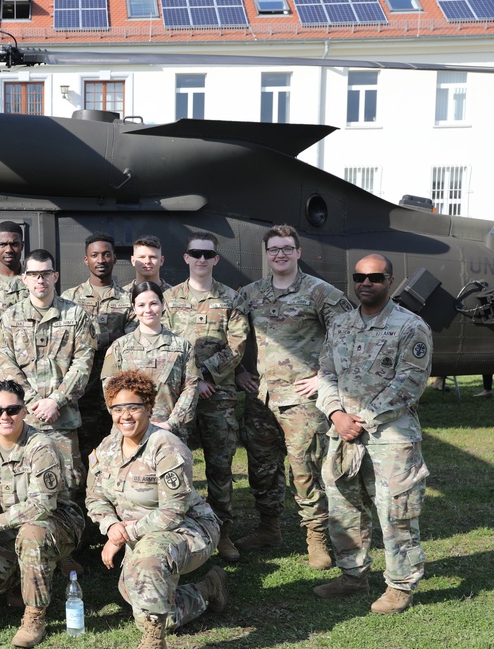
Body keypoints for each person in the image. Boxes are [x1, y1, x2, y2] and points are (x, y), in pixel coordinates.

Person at [313, 254, 432, 615]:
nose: (366, 283)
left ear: (390, 281)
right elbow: (325, 372)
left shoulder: (410, 326)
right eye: (359, 277)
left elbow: (410, 383)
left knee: (396, 509)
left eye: (375, 277)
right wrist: (336, 414)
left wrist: (361, 419)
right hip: (344, 431)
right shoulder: (341, 324)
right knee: (343, 505)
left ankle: (400, 585)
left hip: (390, 435)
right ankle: (353, 575)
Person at [87, 370, 227, 649]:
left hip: (189, 529)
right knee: (154, 609)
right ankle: (209, 588)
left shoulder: (166, 446)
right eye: (117, 408)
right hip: (139, 533)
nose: (125, 415)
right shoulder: (107, 448)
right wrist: (111, 527)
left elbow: (172, 512)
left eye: (133, 407)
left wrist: (124, 535)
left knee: (149, 561)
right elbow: (95, 497)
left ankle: (155, 645)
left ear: (149, 408)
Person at [233, 225, 353, 570]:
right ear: (266, 254)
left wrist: (323, 377)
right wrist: (239, 371)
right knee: (262, 469)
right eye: (274, 249)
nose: (280, 254)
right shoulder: (251, 293)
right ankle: (268, 528)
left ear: (298, 252)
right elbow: (228, 332)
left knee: (305, 470)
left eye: (287, 248)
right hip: (261, 398)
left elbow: (348, 336)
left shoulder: (320, 292)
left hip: (302, 401)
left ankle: (316, 537)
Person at [0, 379, 84, 648]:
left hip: (56, 522)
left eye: (12, 410)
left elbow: (42, 505)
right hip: (9, 528)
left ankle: (34, 617)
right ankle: (23, 578)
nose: (4, 416)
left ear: (24, 411)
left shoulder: (41, 446)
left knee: (32, 535)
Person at [163, 232, 249, 562]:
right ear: (186, 257)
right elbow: (164, 343)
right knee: (176, 465)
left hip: (219, 396)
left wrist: (206, 376)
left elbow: (237, 345)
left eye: (207, 254)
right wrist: (193, 380)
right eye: (195, 253)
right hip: (178, 397)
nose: (201, 259)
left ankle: (222, 532)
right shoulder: (169, 299)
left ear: (216, 259)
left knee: (220, 466)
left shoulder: (231, 299)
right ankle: (183, 531)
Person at [0, 249, 97, 496]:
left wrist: (55, 401)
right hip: (22, 420)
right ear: (24, 278)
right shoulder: (10, 317)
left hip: (62, 420)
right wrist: (31, 401)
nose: (40, 280)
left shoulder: (75, 315)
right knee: (24, 486)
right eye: (34, 274)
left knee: (68, 486)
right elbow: (4, 363)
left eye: (46, 274)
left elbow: (83, 363)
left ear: (55, 276)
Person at [61, 232, 135, 462]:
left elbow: (132, 341)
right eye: (94, 255)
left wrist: (90, 339)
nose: (100, 260)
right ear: (86, 260)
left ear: (114, 258)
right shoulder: (69, 299)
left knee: (118, 447)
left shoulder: (128, 300)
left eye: (106, 255)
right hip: (81, 387)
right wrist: (110, 337)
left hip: (116, 385)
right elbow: (65, 341)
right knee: (82, 451)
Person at [101, 281, 199, 442]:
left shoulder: (182, 346)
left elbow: (191, 389)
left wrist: (171, 424)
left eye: (153, 303)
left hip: (170, 434)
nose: (148, 310)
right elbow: (109, 390)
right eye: (141, 305)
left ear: (163, 305)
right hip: (128, 433)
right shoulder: (119, 347)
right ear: (134, 308)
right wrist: (130, 421)